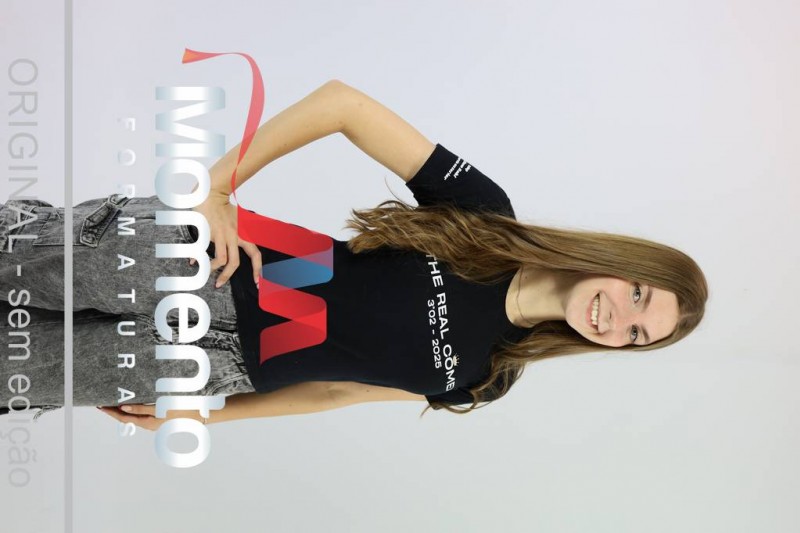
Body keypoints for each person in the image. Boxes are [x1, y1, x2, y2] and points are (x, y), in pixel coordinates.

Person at [0, 80, 707, 430]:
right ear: (624, 262)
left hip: (211, 364)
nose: (618, 319)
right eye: (638, 295)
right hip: (219, 262)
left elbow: (337, 389)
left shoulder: (488, 377)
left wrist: (202, 415)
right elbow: (342, 105)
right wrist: (215, 186)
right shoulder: (488, 217)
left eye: (636, 335)